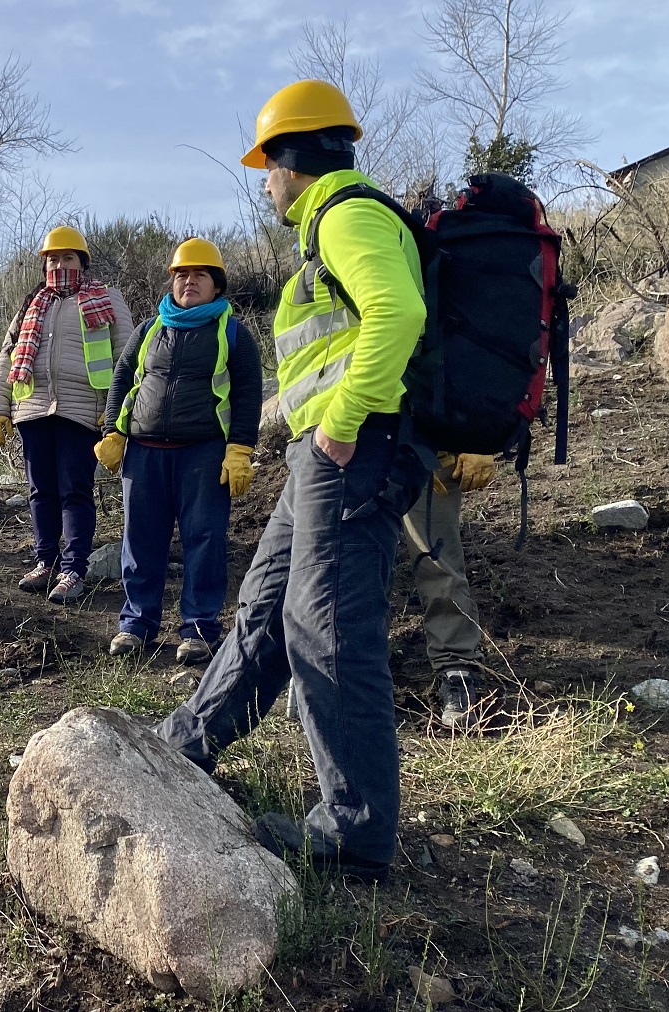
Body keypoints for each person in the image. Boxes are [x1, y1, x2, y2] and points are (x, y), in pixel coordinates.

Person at [154, 80, 430, 882]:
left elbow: (396, 312)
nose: (265, 182)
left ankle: (355, 836)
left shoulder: (347, 214)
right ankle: (188, 745)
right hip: (327, 450)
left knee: (326, 626)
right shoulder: (330, 227)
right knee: (271, 603)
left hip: (356, 446)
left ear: (289, 158)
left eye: (266, 166)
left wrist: (343, 421)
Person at [95, 238, 263, 664]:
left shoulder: (233, 334)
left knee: (205, 540)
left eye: (200, 274)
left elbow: (248, 393)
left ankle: (200, 629)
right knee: (140, 541)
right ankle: (136, 624)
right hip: (144, 452)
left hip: (204, 453)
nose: (189, 281)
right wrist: (114, 430)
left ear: (217, 286)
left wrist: (239, 449)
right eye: (182, 274)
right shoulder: (150, 328)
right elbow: (122, 376)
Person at [0, 226, 133, 604]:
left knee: (75, 491)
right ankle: (45, 561)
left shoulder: (106, 298)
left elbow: (126, 360)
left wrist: (114, 414)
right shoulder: (32, 303)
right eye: (53, 258)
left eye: (68, 257)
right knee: (40, 492)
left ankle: (73, 569)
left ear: (82, 262)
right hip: (32, 410)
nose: (59, 264)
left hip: (83, 410)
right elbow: (7, 359)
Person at [406, 452, 496, 729]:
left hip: (428, 447)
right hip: (350, 442)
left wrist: (477, 442)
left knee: (438, 564)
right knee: (353, 569)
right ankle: (346, 671)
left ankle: (456, 667)